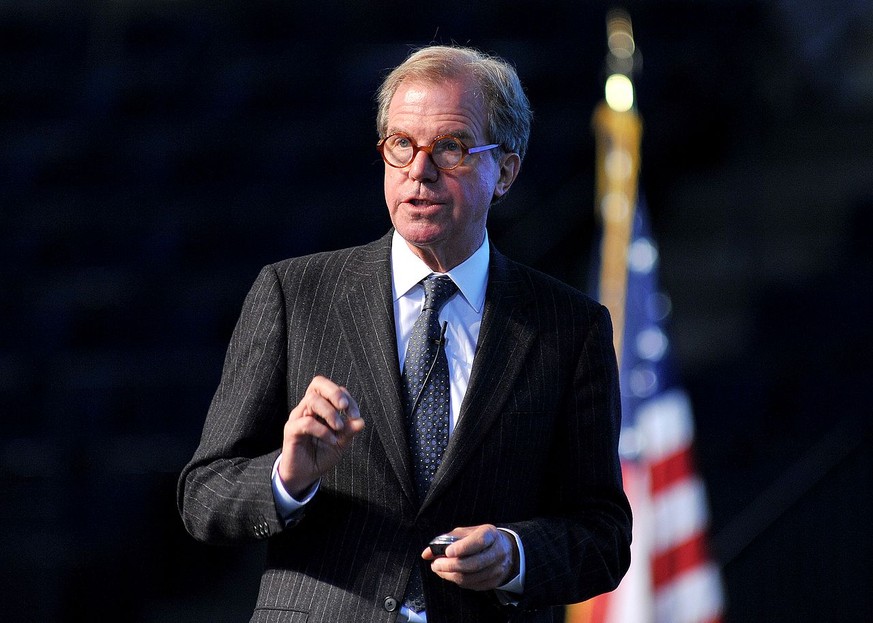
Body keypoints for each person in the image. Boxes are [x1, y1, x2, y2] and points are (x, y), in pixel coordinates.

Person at [177, 44, 631, 623]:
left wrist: (514, 555)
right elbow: (203, 495)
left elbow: (604, 533)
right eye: (401, 146)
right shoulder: (296, 295)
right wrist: (287, 478)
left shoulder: (569, 327)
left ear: (506, 172)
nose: (420, 171)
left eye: (450, 147)